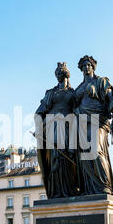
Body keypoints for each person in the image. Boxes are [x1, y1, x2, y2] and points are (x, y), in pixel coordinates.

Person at [75, 55, 113, 196]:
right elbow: (73, 105)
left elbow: (112, 98)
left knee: (96, 151)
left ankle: (104, 185)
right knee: (84, 156)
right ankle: (90, 188)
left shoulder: (100, 81)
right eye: (83, 66)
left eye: (88, 65)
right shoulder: (79, 88)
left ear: (93, 67)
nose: (86, 68)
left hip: (98, 120)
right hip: (82, 121)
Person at [35, 62, 79, 198]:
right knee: (54, 156)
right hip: (52, 126)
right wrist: (39, 126)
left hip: (68, 126)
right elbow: (40, 111)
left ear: (66, 74)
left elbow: (78, 109)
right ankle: (56, 191)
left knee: (67, 156)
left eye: (61, 72)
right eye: (57, 73)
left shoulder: (73, 93)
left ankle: (70, 188)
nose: (59, 75)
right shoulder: (51, 93)